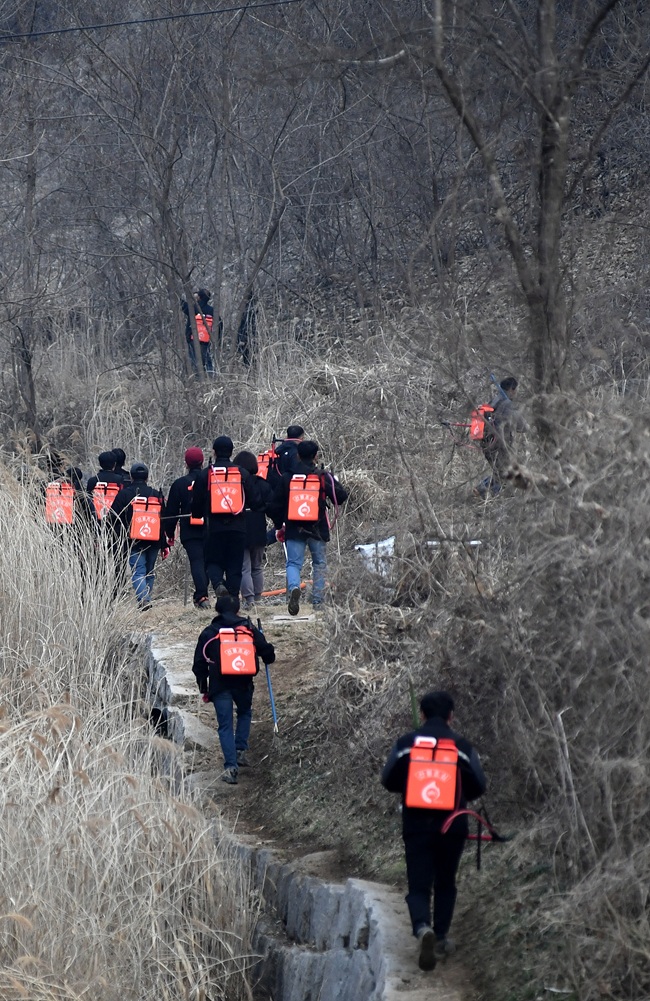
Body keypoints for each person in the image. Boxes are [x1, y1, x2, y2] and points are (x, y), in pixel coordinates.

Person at [381, 691, 486, 972]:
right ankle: (439, 937)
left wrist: (410, 785)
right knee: (445, 882)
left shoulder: (406, 744)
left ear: (422, 714)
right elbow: (479, 785)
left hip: (416, 824)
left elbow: (388, 779)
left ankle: (421, 927)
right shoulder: (462, 747)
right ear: (451, 716)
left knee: (418, 884)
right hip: (453, 824)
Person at [192, 594, 275, 784]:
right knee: (244, 713)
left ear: (217, 610)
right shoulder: (248, 628)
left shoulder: (209, 632)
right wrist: (268, 653)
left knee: (225, 726)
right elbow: (268, 653)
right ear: (238, 609)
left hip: (220, 685)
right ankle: (240, 750)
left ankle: (230, 767)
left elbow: (199, 664)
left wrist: (203, 687)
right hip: (244, 682)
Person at [271, 439, 348, 615]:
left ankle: (294, 588)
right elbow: (341, 497)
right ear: (316, 456)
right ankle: (318, 601)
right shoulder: (322, 476)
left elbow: (274, 505)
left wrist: (279, 524)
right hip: (317, 528)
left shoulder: (287, 477)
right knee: (319, 563)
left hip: (294, 528)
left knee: (293, 563)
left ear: (298, 455)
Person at [190, 436, 261, 598]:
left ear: (214, 453)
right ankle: (233, 600)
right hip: (238, 528)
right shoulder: (242, 473)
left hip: (214, 528)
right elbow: (256, 501)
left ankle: (218, 584)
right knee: (235, 565)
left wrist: (199, 514)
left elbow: (197, 503)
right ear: (231, 452)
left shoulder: (206, 474)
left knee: (213, 561)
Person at [110, 462, 165, 610]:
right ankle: (146, 598)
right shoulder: (156, 494)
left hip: (133, 540)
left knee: (138, 571)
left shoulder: (124, 494)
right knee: (149, 572)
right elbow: (164, 519)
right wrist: (164, 543)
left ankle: (144, 600)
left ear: (131, 477)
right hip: (154, 540)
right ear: (147, 477)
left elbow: (113, 516)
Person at [163, 447, 210, 609]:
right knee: (207, 562)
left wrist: (169, 533)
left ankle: (202, 596)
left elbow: (171, 512)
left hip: (190, 531)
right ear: (203, 462)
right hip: (211, 528)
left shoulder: (179, 484)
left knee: (196, 561)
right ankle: (204, 594)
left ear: (186, 464)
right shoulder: (210, 479)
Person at [233, 450, 274, 610]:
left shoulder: (234, 484)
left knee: (244, 567)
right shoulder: (262, 484)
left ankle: (248, 599)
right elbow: (271, 506)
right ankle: (258, 598)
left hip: (240, 529)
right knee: (257, 566)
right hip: (258, 530)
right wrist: (278, 524)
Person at [475, 376, 528, 498]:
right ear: (511, 390)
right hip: (501, 446)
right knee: (506, 474)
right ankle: (486, 494)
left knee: (500, 473)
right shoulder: (507, 405)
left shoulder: (493, 401)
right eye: (516, 390)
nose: (516, 393)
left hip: (487, 444)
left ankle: (481, 491)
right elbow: (522, 426)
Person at [182, 288, 216, 375]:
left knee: (193, 360)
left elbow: (183, 305)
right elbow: (220, 324)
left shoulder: (192, 309)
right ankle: (211, 377)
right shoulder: (212, 310)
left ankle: (197, 377)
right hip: (206, 340)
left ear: (199, 297)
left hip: (193, 339)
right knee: (207, 360)